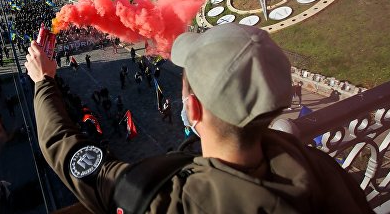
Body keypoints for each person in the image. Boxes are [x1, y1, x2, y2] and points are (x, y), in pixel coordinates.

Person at [24, 24, 372, 213]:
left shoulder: (170, 200)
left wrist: (43, 82)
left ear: (192, 110)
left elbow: (69, 154)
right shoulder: (321, 169)